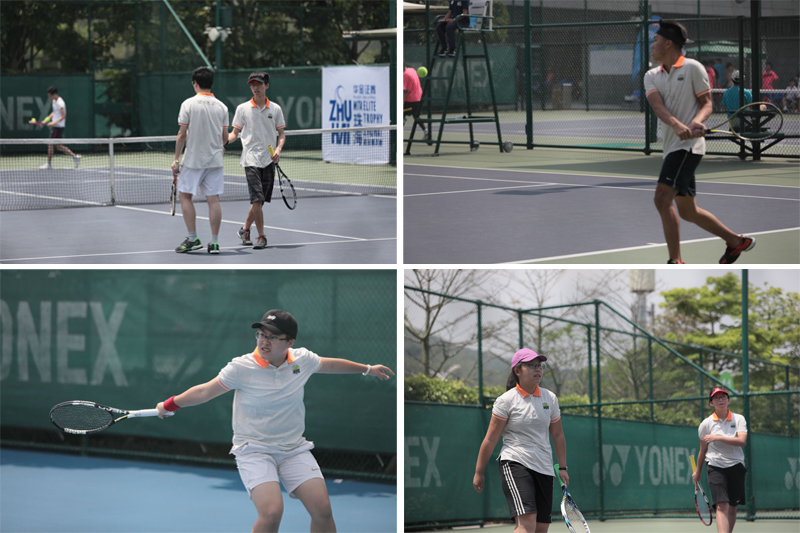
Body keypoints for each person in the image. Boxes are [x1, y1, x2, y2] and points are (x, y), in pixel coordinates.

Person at [155, 309, 394, 533]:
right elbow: (204, 392)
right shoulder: (241, 367)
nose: (264, 342)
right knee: (271, 513)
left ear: (290, 342)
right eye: (261, 334)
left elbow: (329, 364)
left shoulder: (302, 360)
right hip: (254, 450)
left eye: (273, 337)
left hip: (293, 449)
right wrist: (168, 405)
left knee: (322, 511)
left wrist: (367, 369)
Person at [645, 20, 755, 265]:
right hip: (672, 146)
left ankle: (675, 261)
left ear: (668, 43)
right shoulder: (651, 75)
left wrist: (696, 121)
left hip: (689, 147)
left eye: (655, 40)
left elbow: (707, 104)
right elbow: (658, 107)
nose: (652, 45)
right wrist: (677, 125)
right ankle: (736, 242)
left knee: (662, 198)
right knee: (688, 211)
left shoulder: (693, 68)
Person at [473, 349, 568, 533]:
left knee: (541, 528)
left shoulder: (550, 398)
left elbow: (557, 435)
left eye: (539, 365)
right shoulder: (506, 401)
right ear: (517, 370)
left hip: (544, 467)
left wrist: (562, 467)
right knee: (527, 523)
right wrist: (479, 472)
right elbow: (491, 439)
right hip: (516, 462)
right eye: (531, 365)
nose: (537, 369)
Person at [172, 66, 229, 255]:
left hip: (193, 160)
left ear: (195, 83)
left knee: (185, 196)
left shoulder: (188, 104)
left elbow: (182, 135)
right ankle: (215, 243)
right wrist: (219, 145)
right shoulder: (222, 107)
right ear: (211, 83)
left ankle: (192, 238)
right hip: (215, 161)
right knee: (213, 200)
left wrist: (176, 159)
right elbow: (225, 138)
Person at [228, 72, 286, 250]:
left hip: (268, 160)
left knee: (259, 201)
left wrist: (278, 150)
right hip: (250, 159)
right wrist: (223, 142)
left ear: (266, 86)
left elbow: (281, 134)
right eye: (252, 84)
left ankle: (245, 229)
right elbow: (234, 133)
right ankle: (261, 236)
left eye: (259, 84)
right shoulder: (242, 108)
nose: (255, 87)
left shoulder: (275, 109)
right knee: (257, 199)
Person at [692, 387, 748, 533]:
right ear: (711, 403)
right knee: (722, 505)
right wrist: (698, 472)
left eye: (723, 397)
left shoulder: (739, 419)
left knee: (732, 507)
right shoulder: (705, 424)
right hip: (715, 466)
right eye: (716, 397)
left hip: (736, 465)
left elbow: (742, 441)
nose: (720, 400)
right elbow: (703, 450)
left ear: (728, 401)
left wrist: (717, 437)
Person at [37, 86, 81, 170]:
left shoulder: (60, 103)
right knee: (59, 146)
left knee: (50, 144)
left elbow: (63, 116)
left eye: (50, 96)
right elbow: (54, 112)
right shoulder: (54, 101)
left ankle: (49, 164)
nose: (50, 97)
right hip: (56, 127)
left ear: (54, 94)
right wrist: (46, 120)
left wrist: (53, 123)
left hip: (58, 127)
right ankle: (75, 157)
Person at [403, 61, 429, 141]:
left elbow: (404, 91)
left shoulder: (404, 75)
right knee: (416, 116)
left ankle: (398, 134)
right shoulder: (412, 70)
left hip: (410, 100)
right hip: (418, 97)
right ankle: (426, 131)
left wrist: (401, 103)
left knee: (400, 115)